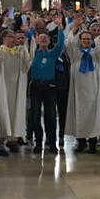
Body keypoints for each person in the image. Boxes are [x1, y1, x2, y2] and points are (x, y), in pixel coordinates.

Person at [65, 17, 100, 153]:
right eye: (83, 39)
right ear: (80, 40)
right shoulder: (75, 53)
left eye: (88, 39)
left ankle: (93, 143)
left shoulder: (96, 53)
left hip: (93, 91)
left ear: (92, 41)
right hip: (78, 91)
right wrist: (75, 27)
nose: (86, 41)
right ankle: (81, 142)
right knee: (79, 115)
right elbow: (70, 43)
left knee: (93, 116)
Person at [0, 25, 30, 156]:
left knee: (15, 113)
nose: (15, 39)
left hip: (16, 88)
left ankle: (12, 141)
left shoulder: (20, 51)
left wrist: (24, 45)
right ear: (5, 38)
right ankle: (0, 145)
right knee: (2, 115)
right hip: (4, 89)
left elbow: (27, 65)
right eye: (12, 37)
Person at [28, 13, 65, 154]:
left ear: (49, 41)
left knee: (50, 116)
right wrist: (31, 25)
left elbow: (61, 43)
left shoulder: (52, 54)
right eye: (40, 38)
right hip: (36, 87)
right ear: (37, 40)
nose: (43, 39)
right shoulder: (33, 53)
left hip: (49, 87)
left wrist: (60, 26)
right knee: (35, 116)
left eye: (46, 38)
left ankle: (52, 142)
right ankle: (38, 142)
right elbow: (29, 38)